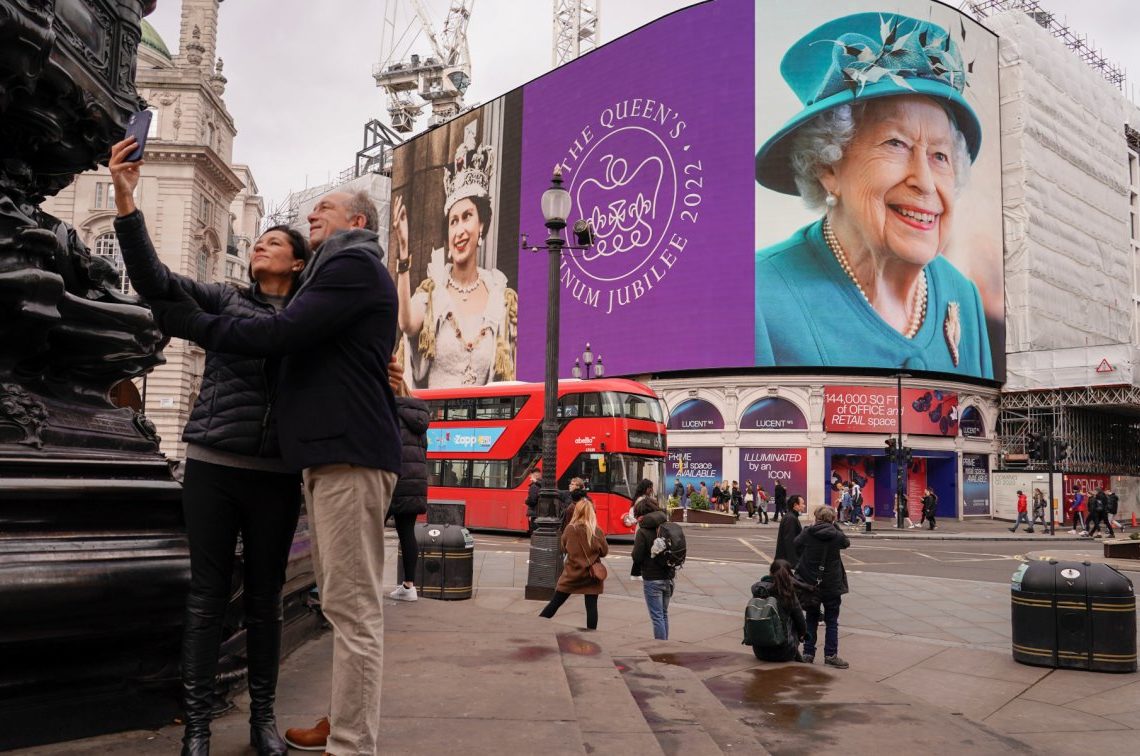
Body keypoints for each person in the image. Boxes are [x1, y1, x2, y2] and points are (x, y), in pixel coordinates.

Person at [151, 188, 401, 756]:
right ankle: (345, 720)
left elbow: (278, 335)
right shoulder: (335, 271)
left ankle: (352, 744)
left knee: (352, 609)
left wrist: (189, 322)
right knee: (340, 602)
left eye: (324, 209)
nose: (311, 214)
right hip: (330, 455)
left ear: (356, 221)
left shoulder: (352, 264)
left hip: (349, 456)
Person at [109, 137, 309, 756]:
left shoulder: (311, 318)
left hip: (277, 473)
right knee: (205, 596)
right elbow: (154, 281)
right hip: (214, 465)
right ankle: (196, 727)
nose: (259, 246)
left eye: (273, 242)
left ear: (297, 264)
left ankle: (262, 721)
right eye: (258, 241)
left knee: (265, 601)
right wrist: (125, 199)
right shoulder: (224, 298)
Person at [753, 13, 992, 379]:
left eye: (940, 155)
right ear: (828, 167)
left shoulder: (964, 297)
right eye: (896, 143)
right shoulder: (758, 297)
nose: (926, 183)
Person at [392, 122, 517, 388]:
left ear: (481, 225)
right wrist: (403, 253)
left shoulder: (500, 297)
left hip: (484, 417)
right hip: (434, 414)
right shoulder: (432, 291)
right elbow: (407, 323)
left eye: (467, 217)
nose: (459, 230)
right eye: (453, 221)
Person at [387, 358, 429, 601]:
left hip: (391, 478)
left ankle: (365, 585)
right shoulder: (419, 417)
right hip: (415, 482)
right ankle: (409, 587)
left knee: (369, 533)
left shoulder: (387, 408)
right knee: (407, 533)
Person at [538, 498, 609, 630]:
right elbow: (604, 552)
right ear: (592, 512)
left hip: (572, 574)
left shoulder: (570, 529)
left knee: (555, 603)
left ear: (577, 512)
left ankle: (536, 625)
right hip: (592, 575)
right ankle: (592, 635)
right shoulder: (597, 531)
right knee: (591, 608)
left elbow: (563, 548)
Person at [793, 506, 850, 668]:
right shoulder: (837, 535)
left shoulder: (808, 532)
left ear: (816, 518)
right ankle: (831, 655)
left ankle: (808, 653)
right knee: (832, 621)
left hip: (811, 584)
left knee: (811, 618)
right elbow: (846, 543)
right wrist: (835, 526)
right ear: (833, 519)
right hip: (832, 584)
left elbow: (796, 544)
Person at [630, 496, 674, 640]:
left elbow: (637, 557)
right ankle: (665, 644)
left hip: (652, 579)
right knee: (663, 614)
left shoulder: (642, 531)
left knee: (657, 617)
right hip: (669, 577)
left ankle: (660, 647)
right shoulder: (666, 526)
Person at [751, 559, 809, 663]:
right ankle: (796, 654)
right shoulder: (788, 593)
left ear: (770, 572)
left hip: (759, 651)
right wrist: (803, 635)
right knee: (795, 620)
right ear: (789, 575)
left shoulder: (759, 590)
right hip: (784, 653)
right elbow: (801, 623)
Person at [774, 494, 806, 563]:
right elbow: (790, 542)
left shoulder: (791, 516)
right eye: (802, 503)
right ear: (795, 505)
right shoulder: (790, 518)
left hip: (785, 561)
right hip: (786, 562)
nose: (804, 505)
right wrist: (793, 563)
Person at [525, 469, 541, 534]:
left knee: (534, 533)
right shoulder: (541, 485)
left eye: (530, 475)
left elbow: (532, 501)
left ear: (534, 475)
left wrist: (526, 501)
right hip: (539, 513)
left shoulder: (534, 486)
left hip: (534, 513)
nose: (529, 477)